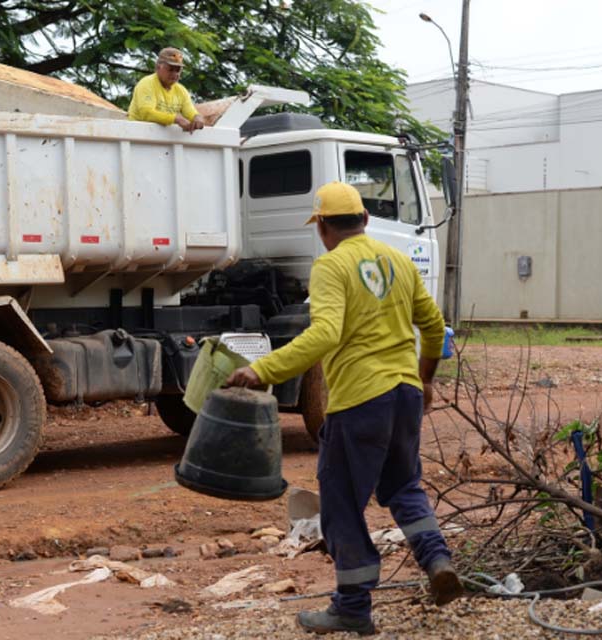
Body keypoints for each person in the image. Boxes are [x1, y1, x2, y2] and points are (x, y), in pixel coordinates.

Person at [225, 181, 462, 636]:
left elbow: (326, 334)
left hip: (360, 400)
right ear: (366, 220)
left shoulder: (331, 267)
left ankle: (352, 607)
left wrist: (264, 370)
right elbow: (434, 326)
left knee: (342, 504)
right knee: (404, 486)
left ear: (323, 229)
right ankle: (437, 560)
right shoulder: (397, 260)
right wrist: (425, 378)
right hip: (405, 393)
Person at [128, 47, 205, 133]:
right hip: (137, 135)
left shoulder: (181, 90)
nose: (175, 74)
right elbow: (147, 114)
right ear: (158, 67)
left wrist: (197, 117)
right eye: (171, 69)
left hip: (160, 139)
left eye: (178, 70)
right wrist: (175, 119)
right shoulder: (147, 83)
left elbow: (190, 112)